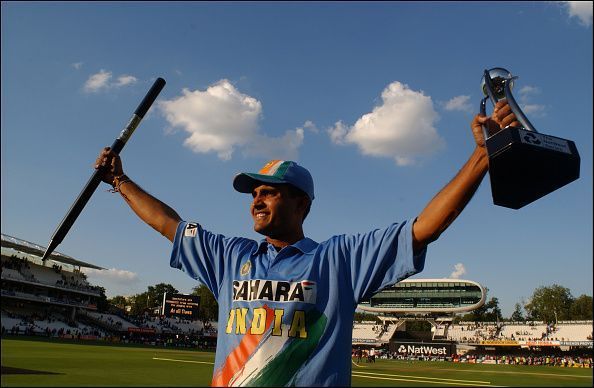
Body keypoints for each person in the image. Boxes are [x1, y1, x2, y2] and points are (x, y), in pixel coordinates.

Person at [95, 100, 518, 386]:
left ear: (301, 204)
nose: (256, 199)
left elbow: (424, 227)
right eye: (253, 193)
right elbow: (169, 223)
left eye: (269, 191)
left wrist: (481, 157)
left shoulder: (338, 259)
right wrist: (119, 180)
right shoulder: (229, 256)